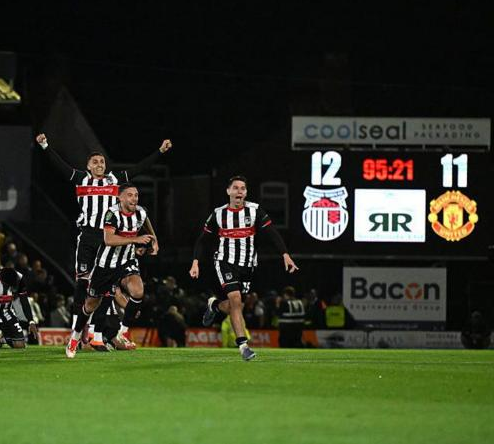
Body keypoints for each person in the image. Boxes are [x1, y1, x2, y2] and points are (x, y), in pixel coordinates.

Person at [35, 133, 172, 343]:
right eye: (95, 162)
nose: (99, 164)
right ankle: (78, 330)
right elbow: (60, 166)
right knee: (82, 282)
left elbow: (139, 169)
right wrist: (45, 145)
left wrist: (159, 152)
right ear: (88, 166)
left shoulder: (114, 180)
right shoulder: (81, 178)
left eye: (102, 162)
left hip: (109, 237)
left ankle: (98, 333)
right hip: (88, 236)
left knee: (106, 285)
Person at [189, 175, 298, 361]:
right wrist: (195, 262)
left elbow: (272, 232)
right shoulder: (218, 214)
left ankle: (214, 305)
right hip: (225, 261)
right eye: (236, 188)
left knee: (235, 306)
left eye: (243, 188)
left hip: (248, 265)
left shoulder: (254, 210)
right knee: (235, 299)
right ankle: (243, 346)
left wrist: (285, 254)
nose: (239, 191)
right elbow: (203, 239)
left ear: (246, 192)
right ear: (228, 191)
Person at [64, 183, 157, 358]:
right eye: (130, 195)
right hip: (106, 265)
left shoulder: (140, 212)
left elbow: (146, 220)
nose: (134, 198)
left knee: (138, 291)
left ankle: (122, 332)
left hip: (127, 261)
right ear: (120, 198)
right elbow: (109, 240)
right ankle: (75, 337)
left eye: (136, 195)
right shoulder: (112, 213)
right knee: (91, 304)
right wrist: (136, 240)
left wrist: (154, 239)